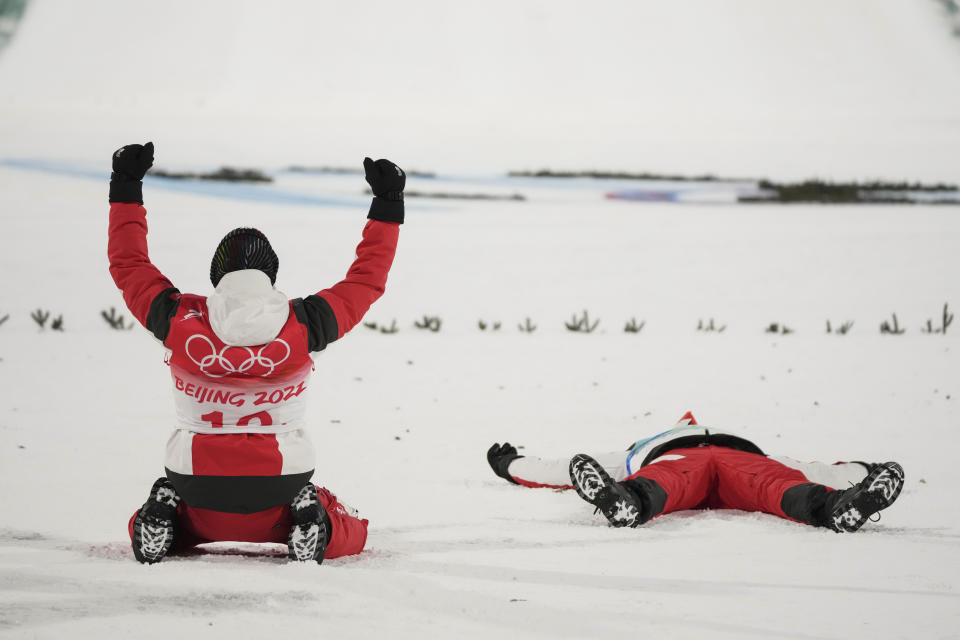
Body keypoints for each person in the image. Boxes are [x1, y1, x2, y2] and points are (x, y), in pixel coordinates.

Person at [108, 142, 405, 564]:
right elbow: (367, 279)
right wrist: (387, 204)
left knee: (180, 519)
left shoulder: (178, 318)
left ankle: (165, 511)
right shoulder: (306, 321)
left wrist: (126, 186)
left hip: (195, 478)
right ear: (271, 273)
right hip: (281, 480)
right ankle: (315, 520)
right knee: (350, 530)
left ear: (217, 275)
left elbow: (128, 264)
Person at [487, 412, 904, 533]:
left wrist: (865, 471)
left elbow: (561, 468)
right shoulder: (639, 450)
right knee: (778, 482)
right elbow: (817, 469)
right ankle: (835, 507)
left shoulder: (643, 446)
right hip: (730, 460)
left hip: (711, 461)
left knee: (779, 480)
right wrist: (512, 466)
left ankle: (840, 507)